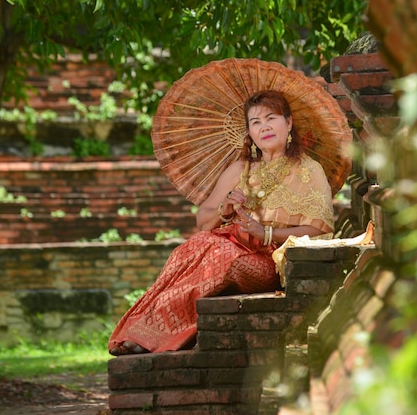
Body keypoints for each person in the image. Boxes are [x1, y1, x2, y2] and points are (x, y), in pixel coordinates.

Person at [108, 90, 335, 355]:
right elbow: (204, 222)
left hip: (269, 260)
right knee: (193, 246)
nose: (264, 127)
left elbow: (320, 229)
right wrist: (225, 208)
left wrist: (266, 232)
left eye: (271, 118)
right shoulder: (242, 169)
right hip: (229, 243)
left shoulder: (309, 170)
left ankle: (157, 338)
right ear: (249, 132)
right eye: (255, 122)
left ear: (289, 123)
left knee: (221, 256)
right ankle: (142, 330)